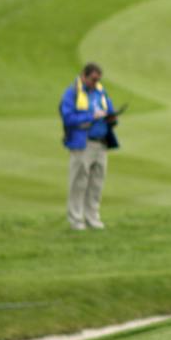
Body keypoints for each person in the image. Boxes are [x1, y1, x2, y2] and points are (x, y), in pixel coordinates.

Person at [60, 62, 118, 232]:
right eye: (93, 79)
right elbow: (68, 118)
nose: (95, 82)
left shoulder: (101, 92)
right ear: (84, 76)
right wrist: (91, 116)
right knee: (79, 182)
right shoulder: (72, 93)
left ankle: (92, 217)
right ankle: (76, 220)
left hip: (101, 142)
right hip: (83, 143)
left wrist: (111, 118)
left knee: (96, 183)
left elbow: (109, 109)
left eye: (98, 79)